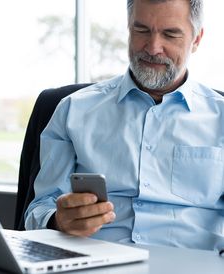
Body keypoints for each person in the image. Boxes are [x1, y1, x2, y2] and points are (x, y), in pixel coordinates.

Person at [25, 0, 224, 250]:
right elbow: (38, 210)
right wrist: (57, 220)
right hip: (93, 265)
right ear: (128, 28)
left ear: (196, 39)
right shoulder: (72, 110)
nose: (153, 48)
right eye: (141, 30)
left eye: (170, 34)